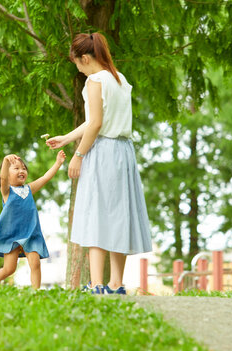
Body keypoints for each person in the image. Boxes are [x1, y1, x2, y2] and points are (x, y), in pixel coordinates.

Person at [46, 32, 152, 295]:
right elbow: (95, 119)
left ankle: (95, 284)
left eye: (77, 65)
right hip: (123, 152)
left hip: (102, 151)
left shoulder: (94, 80)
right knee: (119, 216)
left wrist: (78, 155)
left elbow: (95, 123)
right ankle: (116, 284)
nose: (79, 71)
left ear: (84, 58)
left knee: (96, 215)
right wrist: (67, 138)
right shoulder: (119, 78)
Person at [0, 151, 66, 289]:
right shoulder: (6, 191)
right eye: (16, 168)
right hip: (12, 235)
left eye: (24, 168)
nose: (21, 170)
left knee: (35, 264)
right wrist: (6, 161)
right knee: (9, 269)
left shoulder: (29, 189)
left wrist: (58, 163)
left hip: (31, 233)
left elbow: (45, 178)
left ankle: (36, 292)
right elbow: (3, 178)